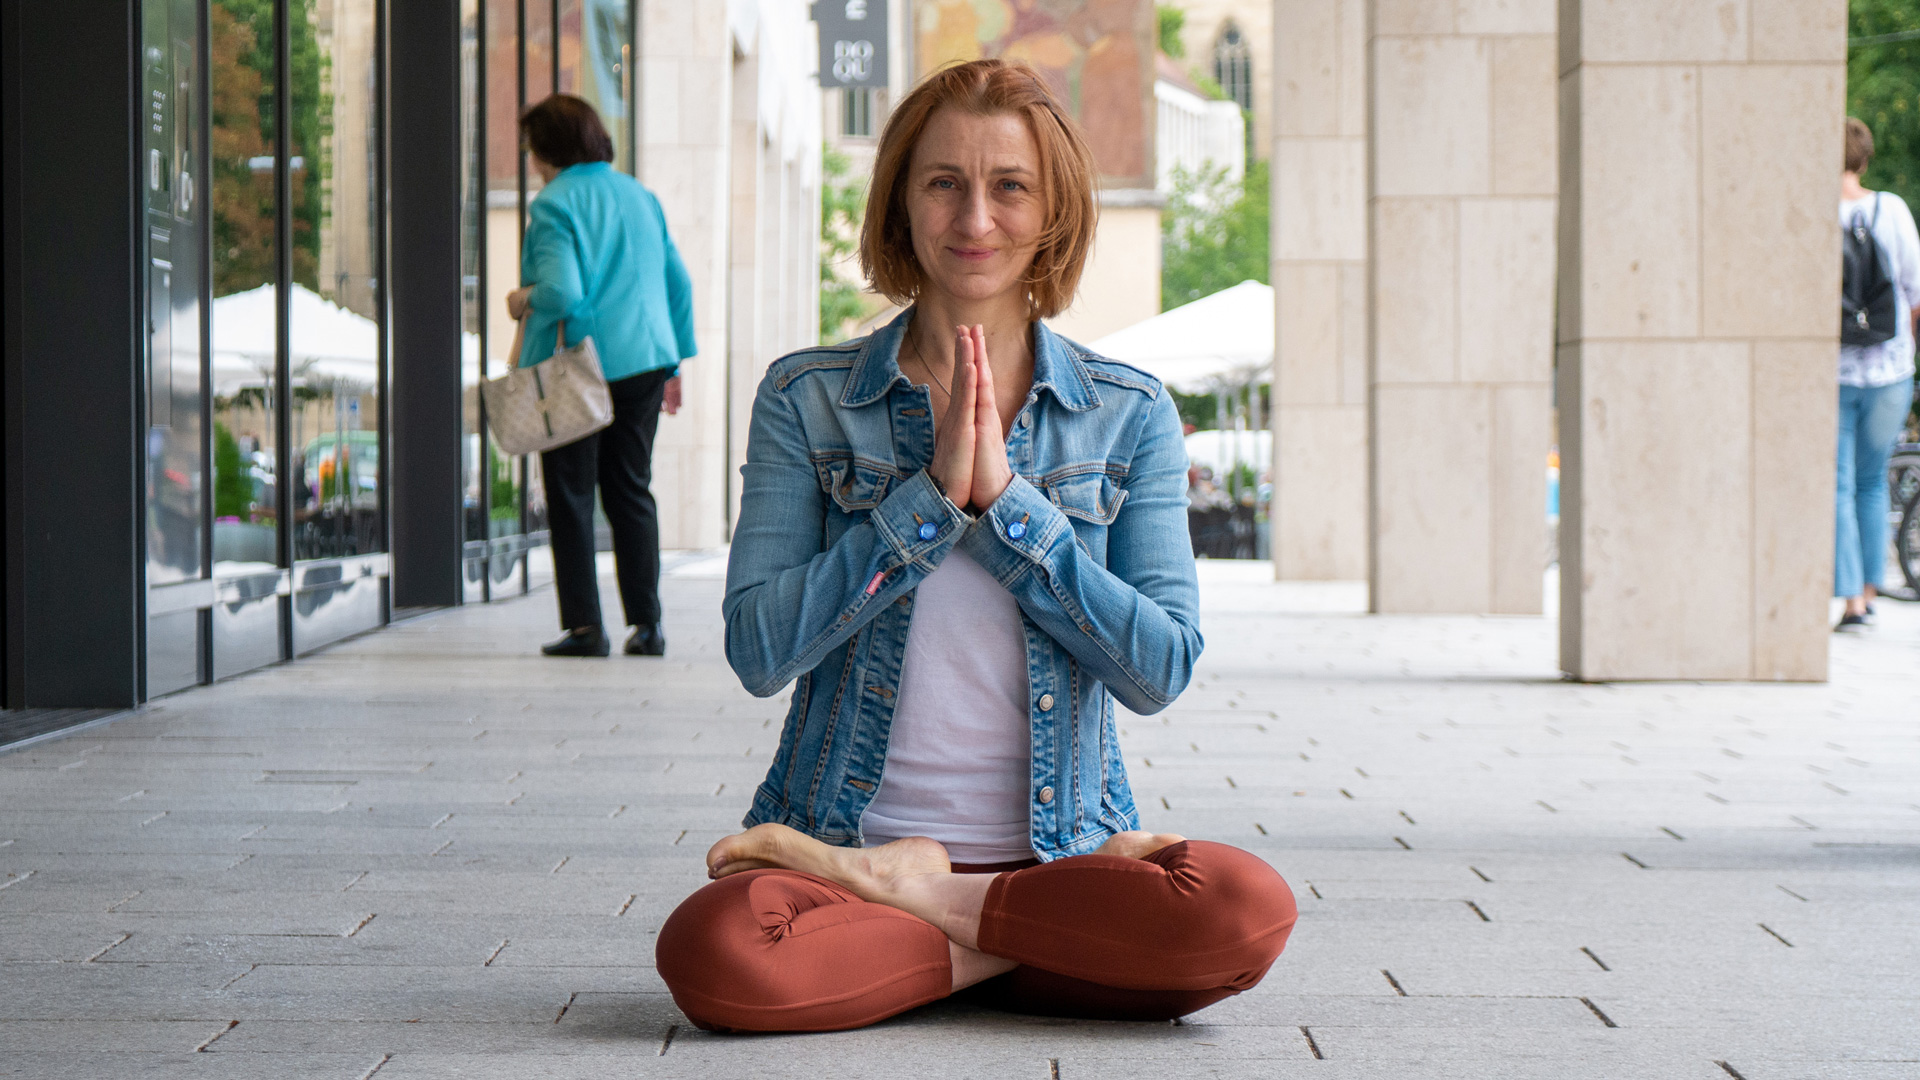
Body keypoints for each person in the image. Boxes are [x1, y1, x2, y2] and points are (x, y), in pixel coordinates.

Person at [653, 60, 1296, 1034]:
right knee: (714, 955)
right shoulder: (807, 398)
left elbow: (1160, 668)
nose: (975, 219)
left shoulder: (1128, 415)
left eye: (1010, 186)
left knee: (1242, 909)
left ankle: (931, 919)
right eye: (943, 182)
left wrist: (1009, 510)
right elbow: (759, 650)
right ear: (902, 202)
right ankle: (1006, 948)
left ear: (1053, 211)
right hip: (843, 852)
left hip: (1065, 864)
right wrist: (922, 509)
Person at [507, 95, 695, 658]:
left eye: (531, 146)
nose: (529, 157)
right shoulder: (640, 195)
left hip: (581, 367)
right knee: (631, 490)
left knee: (570, 494)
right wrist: (675, 362)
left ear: (547, 148)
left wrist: (522, 299)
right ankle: (648, 625)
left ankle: (587, 628)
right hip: (647, 358)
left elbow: (563, 292)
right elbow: (678, 283)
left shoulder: (553, 205)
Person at [1836, 117, 1920, 632]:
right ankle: (1869, 589)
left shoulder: (1815, 215)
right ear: (1865, 158)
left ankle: (1850, 601)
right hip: (1891, 370)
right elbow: (1915, 294)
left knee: (1839, 484)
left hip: (1834, 370)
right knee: (1871, 483)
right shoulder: (1892, 210)